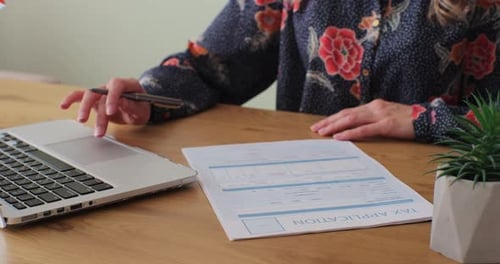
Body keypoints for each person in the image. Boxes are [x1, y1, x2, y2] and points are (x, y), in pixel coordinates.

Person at [60, 0, 499, 142]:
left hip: (443, 211)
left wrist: (426, 120)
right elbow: (211, 67)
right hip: (300, 198)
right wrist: (146, 96)